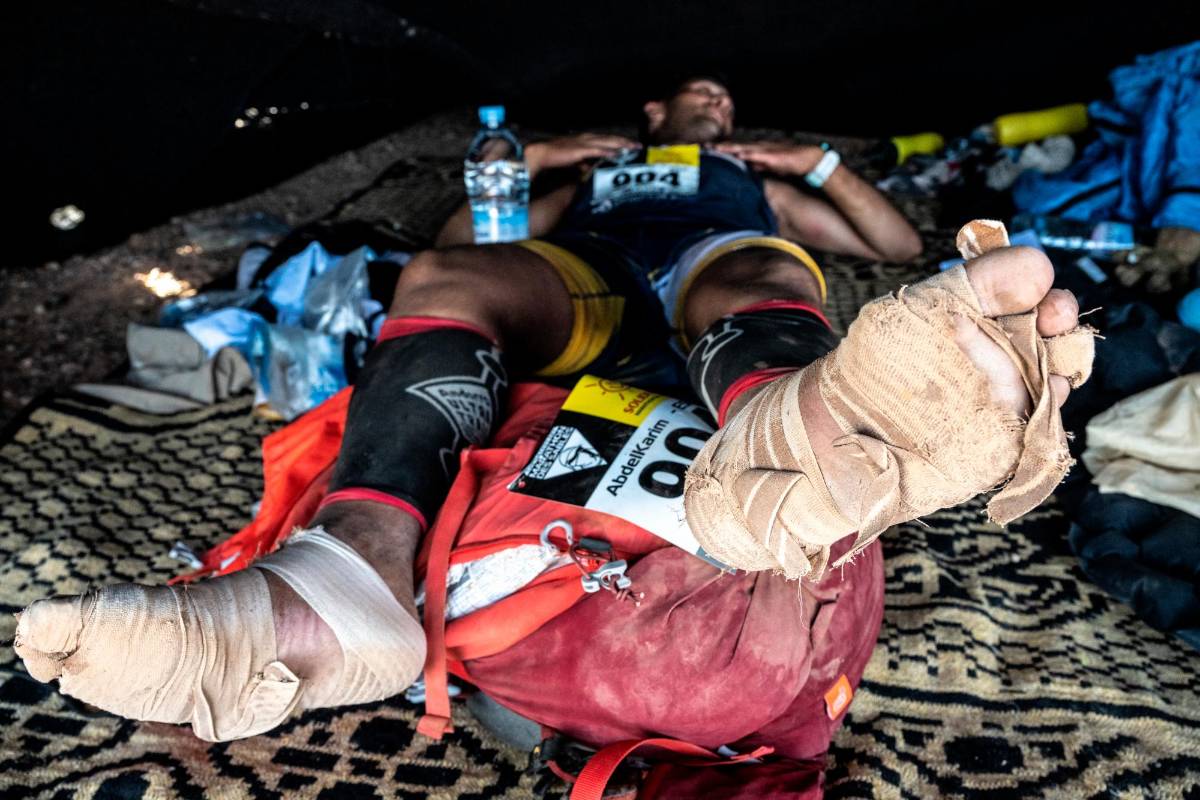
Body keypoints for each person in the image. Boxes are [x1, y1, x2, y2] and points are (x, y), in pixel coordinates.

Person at [14, 76, 1091, 766]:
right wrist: (559, 157)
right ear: (655, 116)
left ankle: (788, 454)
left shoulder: (746, 176)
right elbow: (462, 235)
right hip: (599, 272)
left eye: (722, 100)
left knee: (755, 275)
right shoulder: (605, 168)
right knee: (443, 279)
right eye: (693, 97)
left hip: (717, 268)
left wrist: (800, 165)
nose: (712, 101)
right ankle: (355, 563)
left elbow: (894, 246)